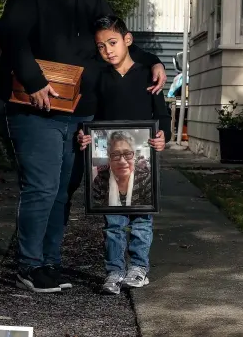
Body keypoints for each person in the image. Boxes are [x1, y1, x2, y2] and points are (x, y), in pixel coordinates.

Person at [0, 0, 167, 293]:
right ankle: (29, 265)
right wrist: (34, 80)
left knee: (62, 189)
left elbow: (115, 38)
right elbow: (11, 37)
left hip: (79, 114)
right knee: (41, 185)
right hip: (34, 110)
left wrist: (151, 59)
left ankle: (50, 263)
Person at [78, 15, 171, 295]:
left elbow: (161, 112)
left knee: (142, 217)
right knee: (113, 220)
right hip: (110, 159)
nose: (108, 50)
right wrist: (85, 135)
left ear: (128, 40)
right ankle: (114, 271)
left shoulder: (147, 74)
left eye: (113, 42)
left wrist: (163, 134)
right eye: (102, 46)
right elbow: (91, 116)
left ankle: (139, 268)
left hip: (143, 156)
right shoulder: (99, 77)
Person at [91, 132, 152, 208]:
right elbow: (95, 213)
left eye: (127, 154)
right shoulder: (100, 180)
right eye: (116, 155)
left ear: (134, 157)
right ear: (109, 159)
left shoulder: (145, 178)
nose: (122, 161)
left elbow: (149, 214)